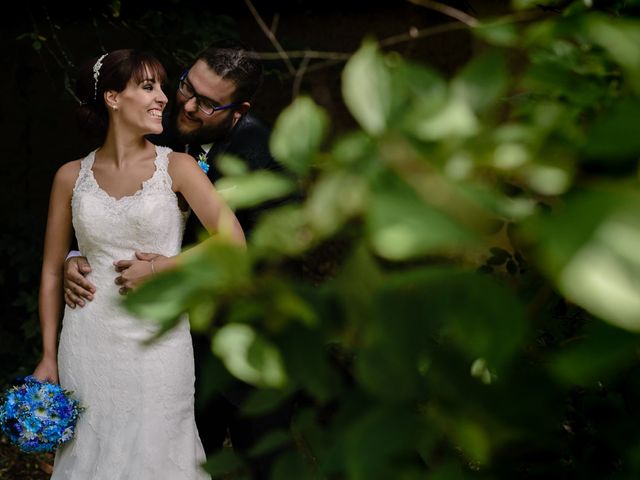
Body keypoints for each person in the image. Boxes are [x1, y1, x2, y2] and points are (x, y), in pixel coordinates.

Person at [61, 41, 292, 479]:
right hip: (161, 343)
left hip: (246, 340)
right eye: (187, 86)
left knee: (264, 463)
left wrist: (168, 268)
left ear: (238, 110)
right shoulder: (159, 120)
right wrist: (80, 255)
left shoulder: (266, 158)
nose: (185, 104)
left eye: (205, 102)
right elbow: (109, 196)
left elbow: (264, 255)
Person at [32, 48, 245, 479]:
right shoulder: (70, 176)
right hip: (87, 343)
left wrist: (164, 266)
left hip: (157, 343)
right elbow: (53, 270)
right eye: (148, 87)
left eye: (163, 86)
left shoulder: (179, 167)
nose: (165, 98)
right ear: (112, 98)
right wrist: (48, 356)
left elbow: (233, 242)